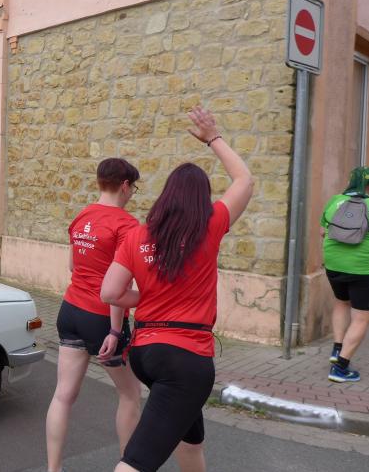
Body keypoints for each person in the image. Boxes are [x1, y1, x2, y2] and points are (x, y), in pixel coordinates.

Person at [101, 106, 254, 472]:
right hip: (186, 359)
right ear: (202, 199)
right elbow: (244, 180)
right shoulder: (210, 224)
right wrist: (213, 137)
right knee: (135, 462)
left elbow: (110, 293)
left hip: (146, 353)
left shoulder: (137, 235)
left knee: (190, 440)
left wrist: (147, 297)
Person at [45, 158, 143, 472]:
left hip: (70, 310)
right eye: (134, 188)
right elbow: (118, 286)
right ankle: (128, 465)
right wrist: (115, 330)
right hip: (102, 319)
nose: (132, 193)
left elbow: (73, 266)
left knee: (63, 396)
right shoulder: (128, 226)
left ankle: (53, 469)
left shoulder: (82, 216)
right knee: (130, 393)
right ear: (125, 185)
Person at [320, 166, 369, 383]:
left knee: (341, 302)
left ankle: (337, 349)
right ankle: (340, 368)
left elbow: (323, 231)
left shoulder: (334, 201)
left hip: (333, 265)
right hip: (361, 270)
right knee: (362, 317)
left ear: (350, 181)